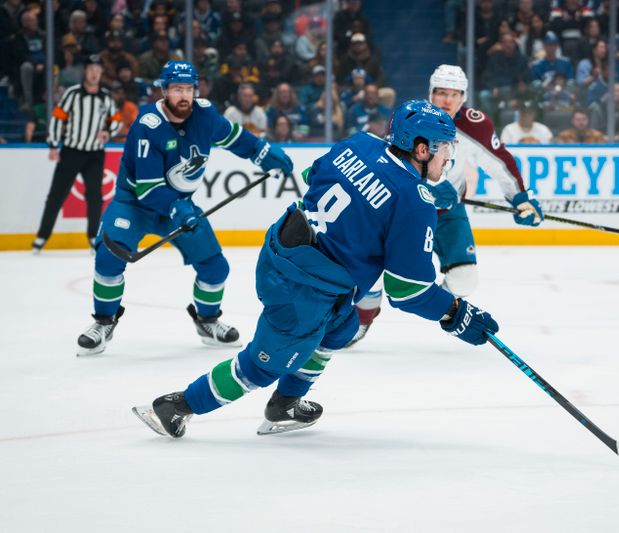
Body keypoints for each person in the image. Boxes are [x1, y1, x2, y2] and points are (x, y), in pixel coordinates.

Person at [132, 100, 500, 438]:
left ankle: (285, 405)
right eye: (444, 149)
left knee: (343, 328)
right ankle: (177, 407)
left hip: (283, 252)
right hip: (305, 291)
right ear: (421, 149)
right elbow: (408, 291)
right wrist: (456, 313)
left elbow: (313, 174)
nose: (448, 158)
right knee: (261, 366)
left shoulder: (360, 143)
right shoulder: (414, 203)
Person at [75, 61, 293, 356]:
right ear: (164, 91)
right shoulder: (147, 125)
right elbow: (148, 189)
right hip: (134, 204)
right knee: (108, 258)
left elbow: (237, 139)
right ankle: (103, 322)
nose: (183, 95)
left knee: (216, 267)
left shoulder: (205, 115)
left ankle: (207, 320)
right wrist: (179, 209)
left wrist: (262, 153)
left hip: (180, 207)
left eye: (188, 89)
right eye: (176, 89)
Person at [349, 65, 542, 345]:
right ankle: (362, 317)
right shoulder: (411, 118)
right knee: (366, 273)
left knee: (465, 280)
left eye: (455, 94)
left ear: (464, 97)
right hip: (403, 212)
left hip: (448, 213)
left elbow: (500, 162)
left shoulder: (475, 125)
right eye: (441, 93)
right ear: (431, 93)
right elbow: (391, 165)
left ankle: (436, 302)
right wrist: (427, 189)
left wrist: (520, 198)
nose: (447, 100)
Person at [33, 55, 121, 253]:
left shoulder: (106, 97)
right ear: (85, 72)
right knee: (56, 195)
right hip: (72, 151)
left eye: (98, 70)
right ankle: (42, 236)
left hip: (95, 154)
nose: (94, 74)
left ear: (101, 73)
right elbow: (57, 119)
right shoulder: (72, 94)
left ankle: (93, 237)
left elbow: (116, 120)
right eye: (91, 69)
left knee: (95, 196)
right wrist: (54, 145)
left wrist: (109, 131)